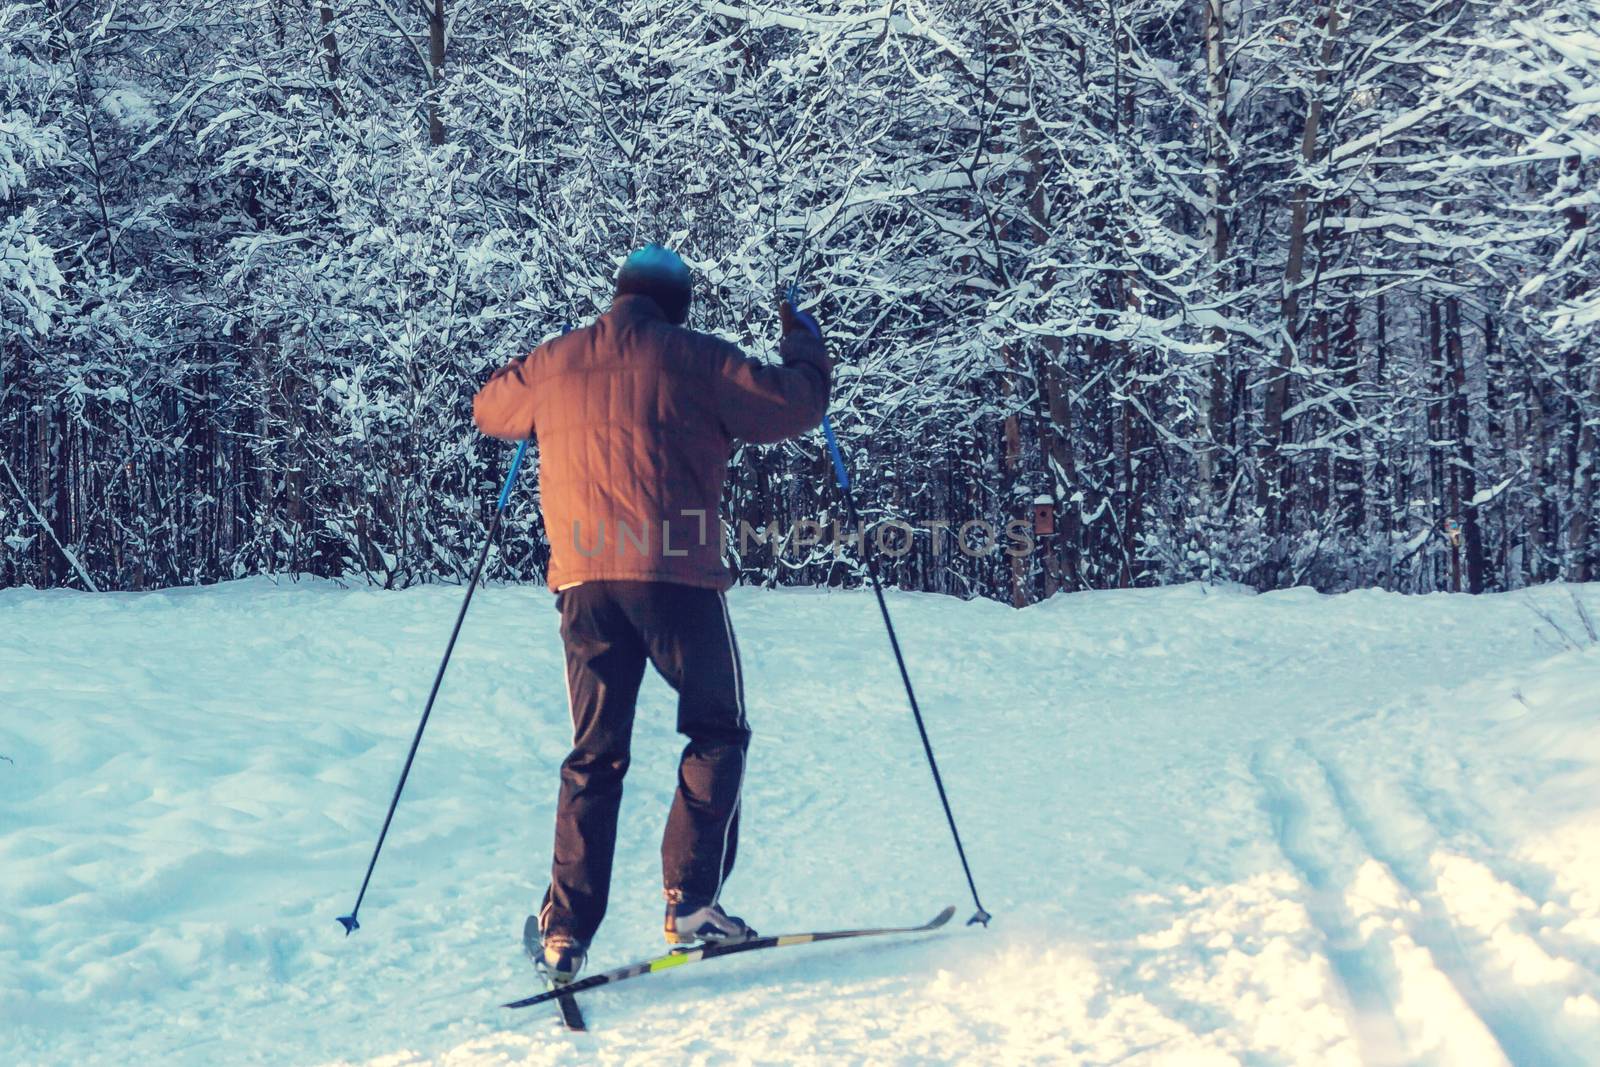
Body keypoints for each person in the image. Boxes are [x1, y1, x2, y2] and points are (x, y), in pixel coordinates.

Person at [472, 245, 831, 985]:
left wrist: (530, 372)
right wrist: (803, 339)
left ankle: (564, 931)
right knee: (717, 727)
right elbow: (797, 403)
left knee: (594, 755)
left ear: (619, 295)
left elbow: (490, 408)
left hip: (585, 582)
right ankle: (693, 901)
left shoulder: (559, 359)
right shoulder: (700, 359)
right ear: (679, 304)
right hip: (678, 576)